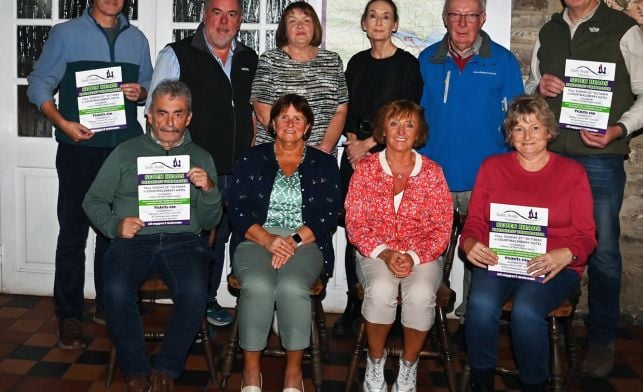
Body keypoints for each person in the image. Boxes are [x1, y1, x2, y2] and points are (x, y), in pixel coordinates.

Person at [525, 0, 643, 377]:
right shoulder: (549, 29)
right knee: (542, 239)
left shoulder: (622, 28)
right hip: (549, 157)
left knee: (602, 252)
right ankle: (535, 321)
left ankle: (602, 339)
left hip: (600, 161)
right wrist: (539, 86)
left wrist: (619, 129)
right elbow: (530, 84)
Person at [26, 0, 152, 348]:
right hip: (78, 150)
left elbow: (148, 86)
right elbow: (38, 84)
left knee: (114, 233)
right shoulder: (65, 34)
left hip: (123, 152)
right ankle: (68, 314)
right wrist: (63, 123)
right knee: (73, 233)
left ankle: (108, 304)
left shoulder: (137, 39)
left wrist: (141, 92)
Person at [83, 80, 222, 392]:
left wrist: (210, 191)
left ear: (188, 118)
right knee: (116, 290)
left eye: (177, 114)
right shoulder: (125, 152)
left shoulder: (201, 157)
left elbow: (211, 220)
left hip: (184, 241)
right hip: (134, 239)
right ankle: (136, 370)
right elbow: (92, 200)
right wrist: (115, 225)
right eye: (162, 113)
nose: (169, 122)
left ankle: (167, 369)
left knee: (195, 292)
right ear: (148, 116)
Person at [461, 95, 597, 392]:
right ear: (509, 135)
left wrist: (568, 253)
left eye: (535, 128)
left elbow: (587, 235)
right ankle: (482, 381)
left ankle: (534, 385)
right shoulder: (491, 167)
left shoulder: (573, 173)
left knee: (526, 310)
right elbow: (474, 223)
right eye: (519, 129)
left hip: (553, 264)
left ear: (549, 131)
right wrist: (469, 243)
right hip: (500, 259)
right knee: (481, 305)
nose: (527, 136)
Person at [146, 0, 258, 327]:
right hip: (192, 171)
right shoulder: (176, 54)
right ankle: (190, 306)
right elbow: (155, 116)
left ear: (241, 19)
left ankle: (208, 300)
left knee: (224, 238)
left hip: (239, 169)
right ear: (204, 15)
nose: (223, 22)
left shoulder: (249, 59)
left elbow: (255, 113)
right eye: (216, 12)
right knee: (192, 240)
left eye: (232, 14)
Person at [418, 0, 524, 337]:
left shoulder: (503, 62)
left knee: (481, 254)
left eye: (471, 15)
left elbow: (517, 123)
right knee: (430, 251)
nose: (462, 23)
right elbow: (415, 119)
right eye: (455, 15)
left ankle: (471, 322)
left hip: (486, 180)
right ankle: (429, 316)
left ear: (483, 18)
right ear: (445, 18)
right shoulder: (426, 60)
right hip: (436, 177)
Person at [228, 94, 341, 392]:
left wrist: (290, 241)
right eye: (284, 117)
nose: (290, 123)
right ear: (273, 124)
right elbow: (236, 208)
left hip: (304, 241)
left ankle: (293, 373)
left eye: (298, 118)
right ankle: (252, 372)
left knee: (291, 287)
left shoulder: (324, 163)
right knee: (258, 285)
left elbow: (330, 213)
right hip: (255, 238)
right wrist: (267, 239)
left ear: (307, 127)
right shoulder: (252, 158)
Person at [345, 100, 453, 392]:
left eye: (409, 124)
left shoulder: (432, 172)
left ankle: (408, 365)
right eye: (394, 123)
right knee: (380, 290)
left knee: (419, 293)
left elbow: (442, 228)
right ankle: (376, 362)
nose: (401, 131)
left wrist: (413, 256)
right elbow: (355, 224)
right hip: (376, 253)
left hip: (422, 255)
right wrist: (387, 253)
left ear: (419, 133)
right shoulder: (366, 169)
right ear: (383, 130)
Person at [333, 0, 424, 338]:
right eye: (373, 16)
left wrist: (369, 144)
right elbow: (346, 109)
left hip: (392, 158)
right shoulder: (356, 63)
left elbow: (406, 116)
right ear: (364, 23)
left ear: (395, 24)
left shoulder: (407, 66)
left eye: (386, 17)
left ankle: (394, 310)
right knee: (357, 231)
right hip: (355, 155)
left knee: (394, 229)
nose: (379, 22)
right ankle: (352, 307)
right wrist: (353, 142)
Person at [251, 1, 348, 155]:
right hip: (277, 155)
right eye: (292, 21)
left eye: (306, 20)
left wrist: (323, 149)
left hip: (320, 157)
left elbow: (340, 110)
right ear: (284, 30)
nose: (300, 26)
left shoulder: (333, 60)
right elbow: (263, 112)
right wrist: (296, 151)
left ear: (315, 26)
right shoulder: (269, 60)